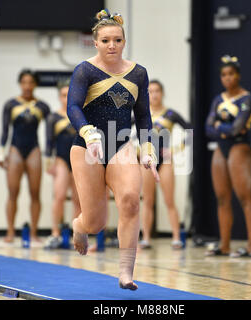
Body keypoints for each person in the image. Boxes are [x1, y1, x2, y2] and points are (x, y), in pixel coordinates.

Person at [66, 9, 159, 290]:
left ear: (124, 41)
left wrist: (148, 149)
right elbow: (73, 106)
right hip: (86, 147)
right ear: (95, 42)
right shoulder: (85, 70)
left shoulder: (138, 73)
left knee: (131, 199)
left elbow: (143, 116)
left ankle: (125, 273)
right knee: (96, 223)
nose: (112, 46)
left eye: (117, 40)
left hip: (121, 144)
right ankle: (79, 226)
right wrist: (88, 132)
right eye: (105, 40)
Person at [205, 55, 251, 258]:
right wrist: (223, 130)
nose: (227, 78)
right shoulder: (218, 100)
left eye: (231, 74)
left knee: (244, 196)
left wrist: (220, 127)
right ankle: (225, 245)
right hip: (222, 147)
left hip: (240, 147)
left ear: (238, 75)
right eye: (223, 75)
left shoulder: (247, 98)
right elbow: (207, 128)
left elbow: (238, 128)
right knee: (222, 198)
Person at [0, 69, 50, 243]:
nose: (27, 86)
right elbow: (5, 130)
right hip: (15, 150)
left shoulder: (42, 106)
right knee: (13, 192)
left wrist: (50, 156)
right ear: (20, 84)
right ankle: (10, 231)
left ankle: (34, 233)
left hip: (34, 150)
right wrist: (0, 153)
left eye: (30, 82)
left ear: (35, 84)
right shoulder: (11, 104)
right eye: (24, 82)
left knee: (35, 193)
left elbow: (50, 134)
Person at [138, 79, 192, 250]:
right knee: (147, 200)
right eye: (151, 91)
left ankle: (176, 237)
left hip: (165, 160)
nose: (154, 95)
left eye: (157, 91)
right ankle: (145, 237)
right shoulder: (142, 114)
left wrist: (176, 150)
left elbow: (191, 131)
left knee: (169, 200)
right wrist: (134, 149)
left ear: (162, 93)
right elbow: (120, 129)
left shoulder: (170, 114)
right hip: (147, 159)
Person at [43, 79, 81, 249]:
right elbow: (49, 142)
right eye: (64, 95)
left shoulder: (81, 115)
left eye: (69, 94)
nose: (67, 98)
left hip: (79, 160)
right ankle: (55, 233)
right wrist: (48, 163)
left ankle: (76, 234)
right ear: (59, 97)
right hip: (61, 160)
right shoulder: (53, 117)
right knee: (58, 197)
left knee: (78, 199)